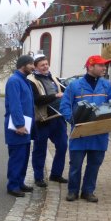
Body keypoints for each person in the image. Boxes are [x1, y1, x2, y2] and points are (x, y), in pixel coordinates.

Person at [59, 55, 111, 202]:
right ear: (91, 67)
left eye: (105, 66)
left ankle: (88, 191)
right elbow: (64, 105)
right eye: (101, 65)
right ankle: (73, 191)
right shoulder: (74, 86)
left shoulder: (106, 85)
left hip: (99, 133)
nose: (104, 68)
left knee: (94, 165)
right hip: (80, 133)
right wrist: (72, 120)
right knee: (75, 165)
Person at [27, 55, 68, 187]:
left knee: (62, 146)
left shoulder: (54, 78)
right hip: (43, 120)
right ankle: (38, 177)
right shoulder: (32, 81)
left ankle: (56, 174)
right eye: (42, 65)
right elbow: (37, 100)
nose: (45, 67)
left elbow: (65, 93)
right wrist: (55, 96)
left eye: (46, 64)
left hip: (58, 118)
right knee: (40, 150)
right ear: (36, 67)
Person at [5, 55, 36, 197]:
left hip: (25, 126)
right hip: (17, 127)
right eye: (31, 64)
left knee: (23, 157)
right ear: (23, 65)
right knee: (17, 157)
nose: (33, 67)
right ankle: (13, 185)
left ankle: (20, 182)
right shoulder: (14, 81)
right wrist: (19, 124)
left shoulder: (25, 81)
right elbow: (15, 104)